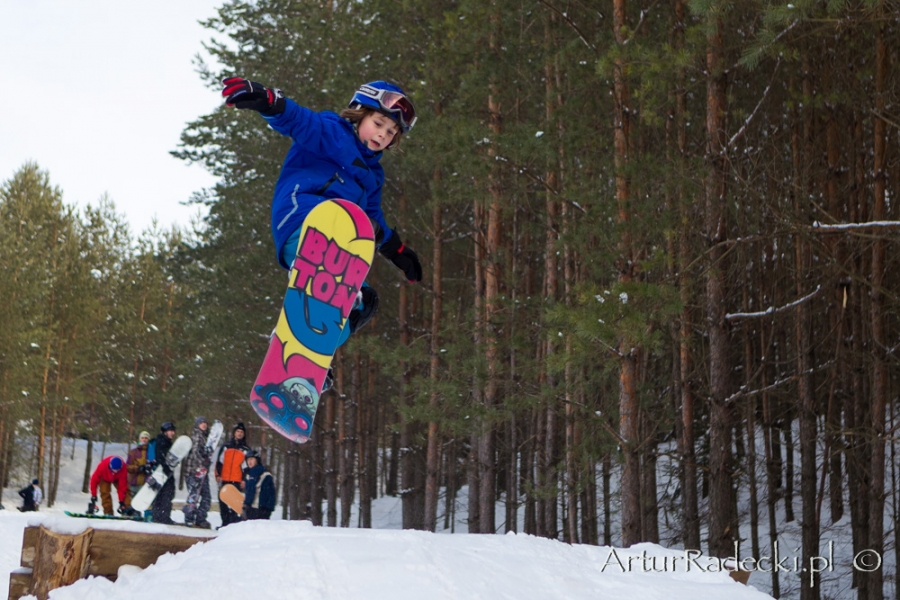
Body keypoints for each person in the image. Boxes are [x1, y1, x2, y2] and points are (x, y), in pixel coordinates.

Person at [221, 77, 424, 389]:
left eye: (390, 132)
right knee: (337, 234)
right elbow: (297, 120)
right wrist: (270, 101)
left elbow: (373, 219)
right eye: (379, 123)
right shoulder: (331, 131)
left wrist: (397, 252)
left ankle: (306, 350)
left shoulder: (373, 175)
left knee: (364, 301)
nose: (382, 135)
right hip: (302, 219)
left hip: (339, 244)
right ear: (360, 112)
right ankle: (309, 311)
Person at [216, 422, 249, 527]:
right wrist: (218, 475)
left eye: (241, 432)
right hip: (225, 479)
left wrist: (244, 479)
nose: (239, 434)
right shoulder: (226, 446)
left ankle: (232, 525)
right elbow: (219, 462)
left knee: (235, 503)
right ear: (234, 433)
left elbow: (246, 467)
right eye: (238, 431)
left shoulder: (245, 449)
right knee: (223, 502)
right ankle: (224, 523)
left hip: (237, 480)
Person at [182, 417, 213, 528]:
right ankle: (189, 517)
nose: (204, 425)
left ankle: (200, 518)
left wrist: (206, 460)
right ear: (197, 425)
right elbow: (195, 453)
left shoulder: (205, 437)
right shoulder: (197, 436)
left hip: (202, 472)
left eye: (205, 423)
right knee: (194, 496)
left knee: (205, 496)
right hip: (193, 471)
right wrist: (203, 462)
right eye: (201, 423)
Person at [150, 421, 178, 525]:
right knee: (166, 494)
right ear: (165, 432)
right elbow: (160, 457)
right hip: (162, 474)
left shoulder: (164, 441)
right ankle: (162, 517)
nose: (172, 433)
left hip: (163, 473)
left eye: (173, 431)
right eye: (171, 431)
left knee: (164, 495)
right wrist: (166, 468)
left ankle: (160, 516)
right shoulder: (162, 442)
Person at [241, 449, 275, 521]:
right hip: (266, 507)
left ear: (257, 460)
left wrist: (247, 503)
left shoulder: (254, 472)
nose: (249, 462)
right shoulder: (264, 470)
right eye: (248, 460)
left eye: (251, 459)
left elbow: (251, 489)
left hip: (257, 507)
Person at [126, 430, 151, 498]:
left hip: (146, 484)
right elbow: (127, 467)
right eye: (142, 438)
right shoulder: (133, 452)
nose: (144, 440)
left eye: (146, 438)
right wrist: (138, 468)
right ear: (139, 439)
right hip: (134, 483)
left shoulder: (151, 452)